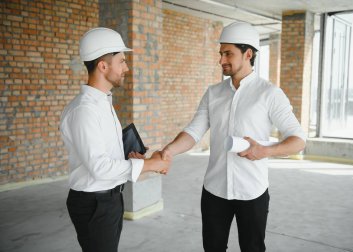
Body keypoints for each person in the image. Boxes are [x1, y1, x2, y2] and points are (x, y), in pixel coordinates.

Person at [161, 22, 306, 252]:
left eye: (228, 53)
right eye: (221, 54)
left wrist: (265, 151)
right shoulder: (213, 93)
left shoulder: (269, 94)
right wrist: (168, 151)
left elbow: (298, 140)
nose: (221, 60)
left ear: (248, 54)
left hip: (252, 192)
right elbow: (193, 131)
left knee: (252, 248)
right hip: (214, 191)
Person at [60, 27, 170, 252]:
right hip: (95, 203)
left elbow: (104, 154)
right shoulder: (85, 110)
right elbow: (99, 168)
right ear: (103, 65)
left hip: (109, 199)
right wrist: (150, 164)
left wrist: (132, 157)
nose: (126, 68)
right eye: (121, 61)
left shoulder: (103, 102)